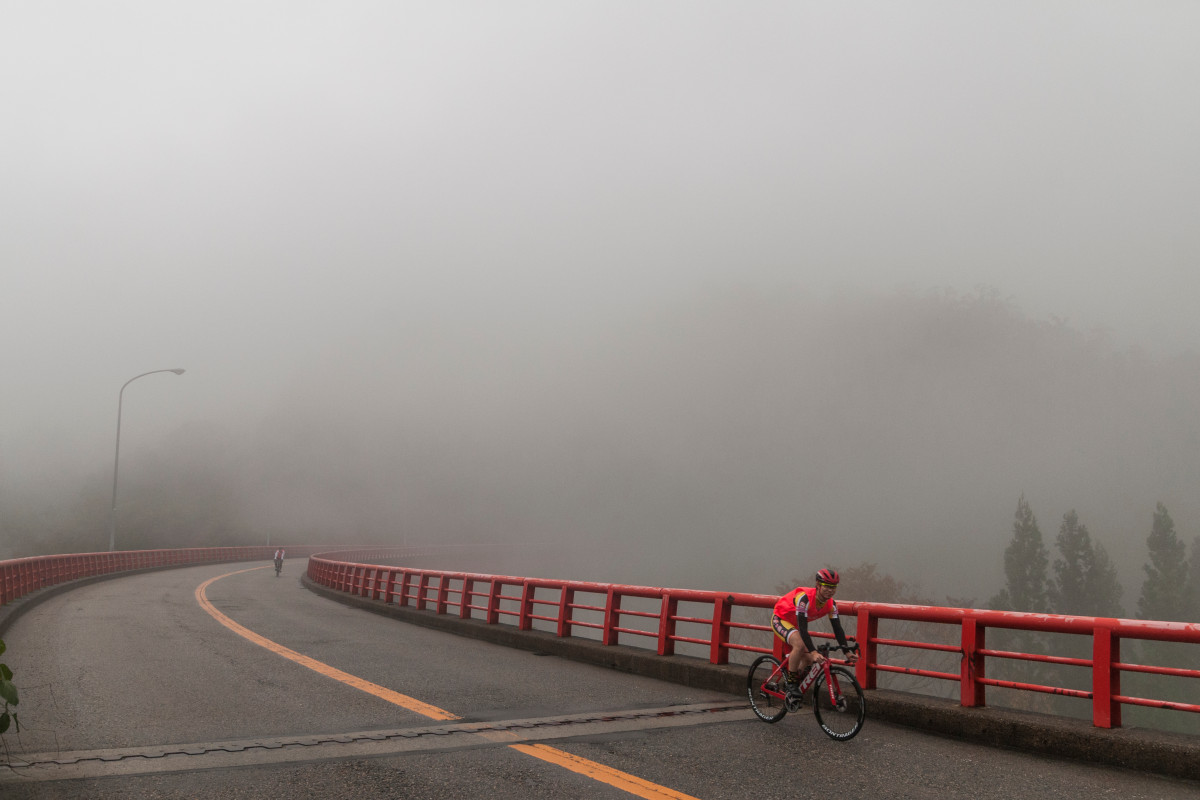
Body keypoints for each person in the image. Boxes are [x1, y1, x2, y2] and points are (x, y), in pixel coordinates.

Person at [771, 568, 856, 692]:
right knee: (800, 645)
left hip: (793, 625)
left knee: (808, 659)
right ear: (818, 585)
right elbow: (803, 629)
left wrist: (846, 651)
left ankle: (792, 685)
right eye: (826, 586)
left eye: (833, 587)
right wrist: (814, 651)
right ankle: (791, 682)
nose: (830, 590)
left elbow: (838, 628)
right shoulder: (804, 598)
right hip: (780, 619)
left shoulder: (831, 605)